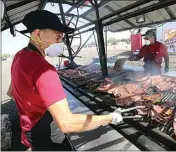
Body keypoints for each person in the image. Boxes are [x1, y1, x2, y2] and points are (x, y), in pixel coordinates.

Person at [6, 10, 123, 151]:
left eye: (62, 36)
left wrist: (31, 110)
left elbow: (11, 92)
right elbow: (67, 123)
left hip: (29, 130)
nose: (61, 40)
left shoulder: (20, 56)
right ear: (38, 34)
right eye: (57, 36)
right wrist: (109, 118)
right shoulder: (45, 69)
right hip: (44, 134)